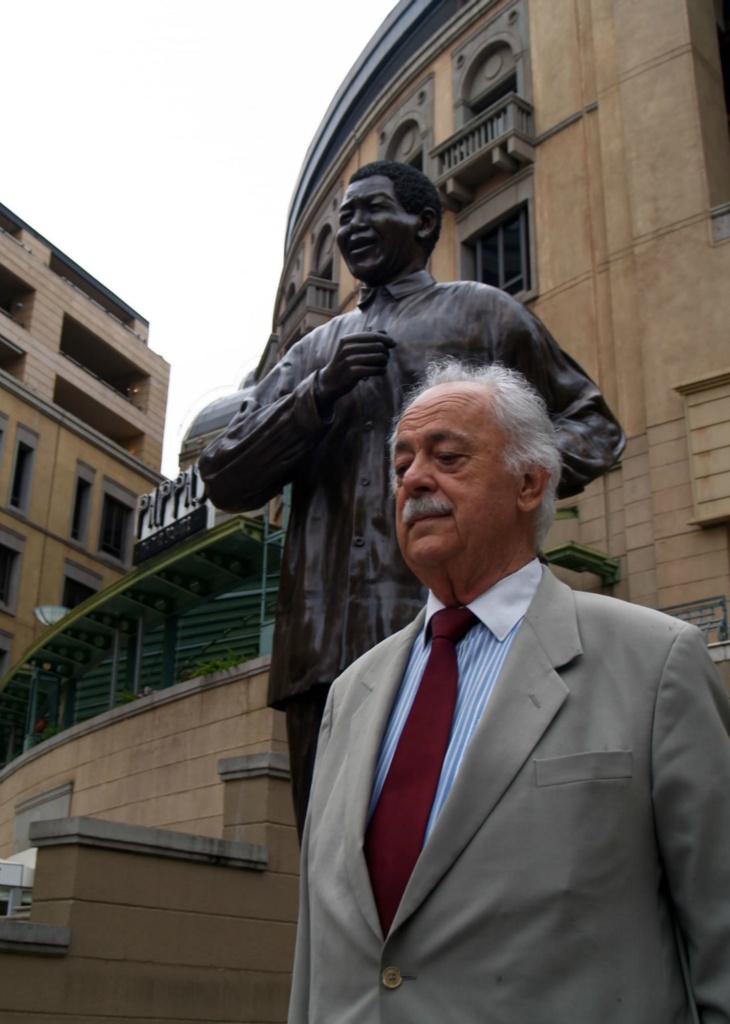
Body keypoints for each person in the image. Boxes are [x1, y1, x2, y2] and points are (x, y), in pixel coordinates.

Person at [289, 361, 730, 1024]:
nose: (414, 480)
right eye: (403, 464)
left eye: (447, 457)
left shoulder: (657, 661)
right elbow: (316, 957)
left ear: (529, 483)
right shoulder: (350, 694)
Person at [199, 160, 625, 836]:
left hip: (463, 627)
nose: (353, 227)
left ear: (423, 222)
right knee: (330, 858)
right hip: (324, 645)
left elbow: (594, 428)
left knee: (457, 847)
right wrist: (317, 395)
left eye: (371, 209)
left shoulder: (485, 314)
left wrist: (498, 480)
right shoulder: (312, 353)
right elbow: (224, 475)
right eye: (344, 218)